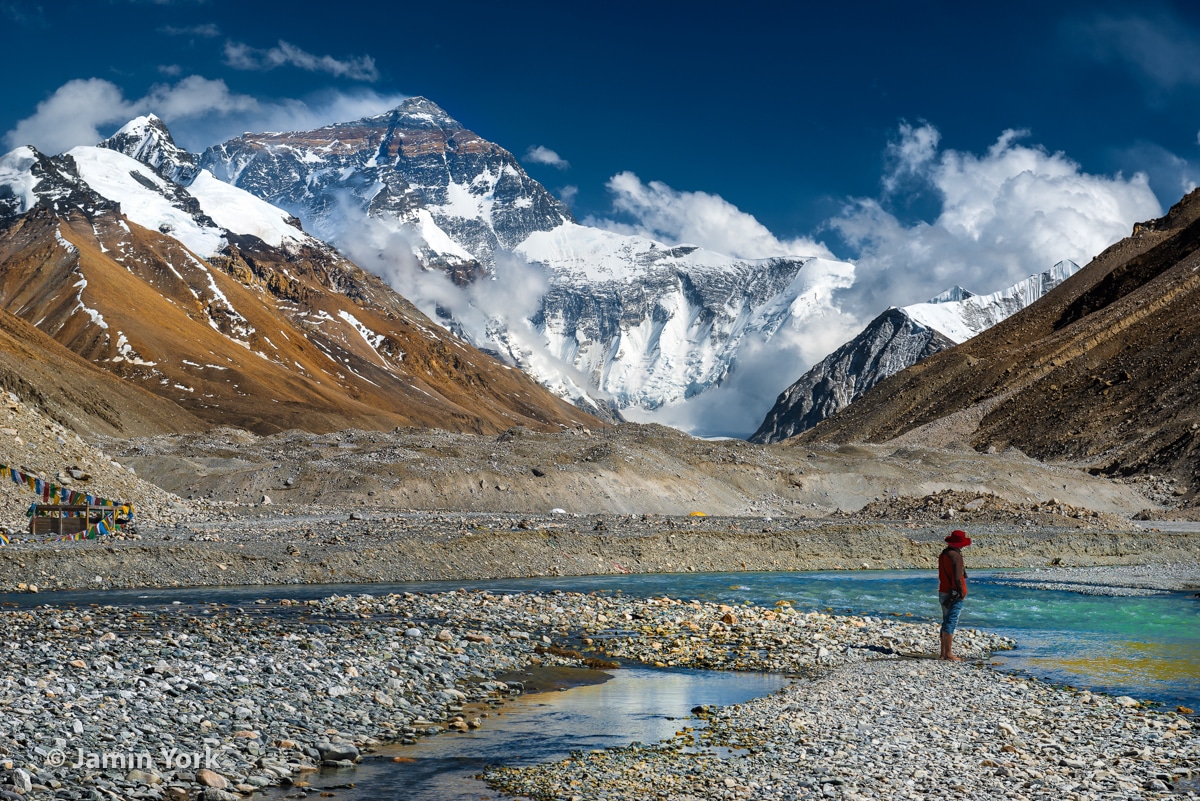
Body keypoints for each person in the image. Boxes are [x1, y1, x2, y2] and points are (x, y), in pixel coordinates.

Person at [938, 529, 971, 661]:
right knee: (951, 622)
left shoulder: (944, 554)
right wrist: (961, 592)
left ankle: (943, 653)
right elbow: (958, 578)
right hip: (954, 594)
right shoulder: (956, 556)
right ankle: (949, 654)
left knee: (945, 620)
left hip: (943, 591)